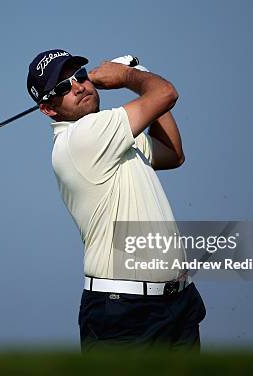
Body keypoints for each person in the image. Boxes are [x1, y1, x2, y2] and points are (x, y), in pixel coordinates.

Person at [26, 49, 206, 352]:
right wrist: (126, 76)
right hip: (125, 316)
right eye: (62, 88)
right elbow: (165, 92)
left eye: (80, 76)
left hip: (177, 304)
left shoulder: (114, 135)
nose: (79, 86)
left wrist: (140, 72)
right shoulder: (84, 137)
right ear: (48, 109)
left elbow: (173, 153)